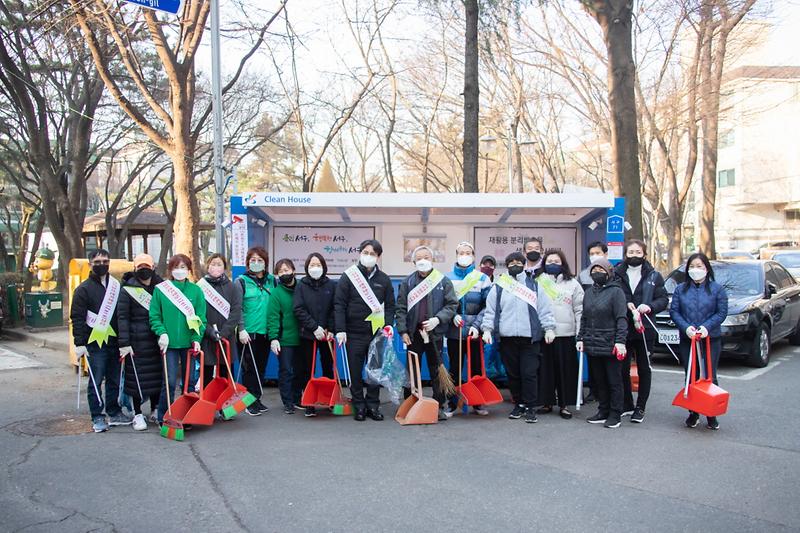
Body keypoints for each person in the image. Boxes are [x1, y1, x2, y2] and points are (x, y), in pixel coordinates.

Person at [481, 252, 556, 424]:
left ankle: (530, 406)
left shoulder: (534, 286)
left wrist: (549, 328)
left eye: (518, 262)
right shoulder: (499, 286)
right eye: (511, 262)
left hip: (530, 339)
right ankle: (519, 404)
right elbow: (490, 311)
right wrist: (487, 329)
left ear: (524, 264)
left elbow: (544, 309)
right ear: (506, 265)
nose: (515, 264)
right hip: (507, 338)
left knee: (529, 373)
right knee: (513, 375)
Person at [334, 239, 396, 421]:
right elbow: (339, 304)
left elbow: (390, 306)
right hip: (353, 332)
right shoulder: (349, 276)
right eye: (366, 252)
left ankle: (373, 405)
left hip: (376, 333)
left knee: (374, 371)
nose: (369, 256)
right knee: (355, 371)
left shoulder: (384, 279)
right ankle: (359, 405)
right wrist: (340, 329)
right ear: (360, 253)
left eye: (373, 254)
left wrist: (388, 324)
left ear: (378, 257)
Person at [71, 249, 132, 432]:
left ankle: (114, 412)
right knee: (96, 380)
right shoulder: (83, 289)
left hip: (114, 342)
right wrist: (79, 343)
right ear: (90, 264)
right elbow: (77, 317)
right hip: (94, 344)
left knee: (114, 379)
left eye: (105, 261)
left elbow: (121, 315)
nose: (102, 265)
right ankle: (97, 416)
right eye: (97, 262)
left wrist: (124, 341)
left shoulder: (116, 286)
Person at [396, 245, 459, 420]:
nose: (423, 260)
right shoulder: (407, 282)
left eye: (427, 257)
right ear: (414, 261)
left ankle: (438, 406)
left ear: (432, 260)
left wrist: (438, 319)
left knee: (436, 371)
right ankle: (410, 404)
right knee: (412, 372)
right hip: (413, 334)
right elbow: (400, 308)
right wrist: (402, 330)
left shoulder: (443, 281)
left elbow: (452, 304)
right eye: (420, 257)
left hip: (434, 334)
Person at [669, 253, 728, 430]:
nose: (696, 270)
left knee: (710, 375)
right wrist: (686, 327)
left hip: (710, 338)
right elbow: (675, 311)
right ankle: (693, 412)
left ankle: (711, 413)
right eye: (692, 266)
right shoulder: (681, 289)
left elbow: (721, 312)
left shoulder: (717, 289)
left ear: (707, 269)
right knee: (691, 375)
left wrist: (706, 327)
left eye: (700, 266)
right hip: (688, 338)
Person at [150, 254, 207, 426]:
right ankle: (163, 416)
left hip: (189, 343)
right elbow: (154, 315)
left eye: (183, 267)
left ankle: (187, 415)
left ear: (189, 270)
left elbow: (201, 318)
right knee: (169, 381)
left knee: (189, 382)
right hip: (169, 344)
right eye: (176, 267)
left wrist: (197, 338)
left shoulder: (196, 291)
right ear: (170, 270)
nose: (180, 271)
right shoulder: (161, 289)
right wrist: (162, 333)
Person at [615, 239, 668, 423]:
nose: (634, 256)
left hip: (645, 330)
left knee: (645, 369)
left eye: (638, 252)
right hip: (623, 329)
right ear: (625, 254)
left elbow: (663, 300)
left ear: (644, 254)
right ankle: (627, 404)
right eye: (631, 252)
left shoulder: (654, 276)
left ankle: (641, 407)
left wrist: (650, 307)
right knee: (622, 369)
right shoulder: (616, 274)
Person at [576, 259, 628, 429]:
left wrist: (620, 341)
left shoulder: (616, 292)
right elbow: (584, 317)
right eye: (594, 269)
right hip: (592, 343)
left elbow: (621, 318)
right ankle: (603, 410)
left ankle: (615, 413)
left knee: (614, 380)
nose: (597, 272)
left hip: (610, 343)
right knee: (599, 381)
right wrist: (580, 337)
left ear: (609, 272)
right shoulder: (589, 292)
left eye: (601, 269)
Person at [117, 254, 163, 431]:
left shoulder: (160, 287)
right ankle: (137, 413)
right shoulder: (127, 289)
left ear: (153, 267)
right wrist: (124, 343)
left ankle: (155, 409)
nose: (144, 269)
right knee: (136, 379)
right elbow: (122, 317)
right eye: (140, 266)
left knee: (156, 377)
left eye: (147, 266)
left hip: (156, 339)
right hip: (136, 342)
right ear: (134, 268)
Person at [536, 249, 584, 419]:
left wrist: (580, 334)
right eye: (549, 261)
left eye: (557, 261)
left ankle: (564, 404)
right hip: (544, 334)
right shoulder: (537, 282)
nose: (553, 264)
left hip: (566, 334)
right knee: (545, 370)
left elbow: (579, 309)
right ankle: (547, 402)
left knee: (566, 371)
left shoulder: (573, 283)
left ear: (563, 263)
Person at [445, 241, 492, 416]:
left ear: (473, 256)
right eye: (461, 252)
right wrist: (452, 316)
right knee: (454, 369)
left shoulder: (482, 278)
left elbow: (488, 306)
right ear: (456, 255)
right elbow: (442, 303)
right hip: (454, 332)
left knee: (476, 368)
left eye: (468, 252)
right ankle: (452, 402)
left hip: (474, 333)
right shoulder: (447, 278)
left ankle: (477, 402)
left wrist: (476, 326)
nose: (464, 255)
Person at [293, 252, 336, 417]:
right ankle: (308, 401)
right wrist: (314, 327)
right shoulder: (301, 285)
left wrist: (330, 328)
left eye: (318, 265)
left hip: (327, 334)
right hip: (308, 334)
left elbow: (335, 308)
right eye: (312, 265)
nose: (315, 268)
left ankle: (328, 399)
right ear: (306, 267)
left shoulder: (332, 285)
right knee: (306, 368)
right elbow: (298, 308)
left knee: (328, 366)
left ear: (324, 267)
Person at [236, 246, 277, 416]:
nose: (256, 263)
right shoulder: (241, 281)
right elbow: (237, 307)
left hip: (265, 333)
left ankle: (257, 399)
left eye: (260, 260)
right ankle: (249, 402)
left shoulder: (272, 281)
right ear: (247, 263)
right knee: (249, 369)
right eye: (252, 260)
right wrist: (241, 329)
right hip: (248, 333)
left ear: (265, 263)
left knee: (260, 367)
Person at [197, 254, 242, 409]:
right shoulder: (200, 287)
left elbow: (236, 311)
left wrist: (224, 332)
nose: (216, 267)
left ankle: (224, 406)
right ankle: (206, 406)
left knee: (225, 373)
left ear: (224, 267)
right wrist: (210, 332)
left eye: (219, 264)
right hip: (207, 337)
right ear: (207, 266)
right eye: (213, 264)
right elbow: (198, 313)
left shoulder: (232, 287)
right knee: (207, 373)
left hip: (226, 337)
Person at [267, 258, 301, 414]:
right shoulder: (276, 293)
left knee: (300, 370)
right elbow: (273, 316)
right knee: (286, 371)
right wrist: (274, 338)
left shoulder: (302, 288)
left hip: (302, 337)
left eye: (286, 270)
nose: (284, 273)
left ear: (293, 270)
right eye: (280, 271)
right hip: (285, 339)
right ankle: (288, 402)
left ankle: (298, 398)